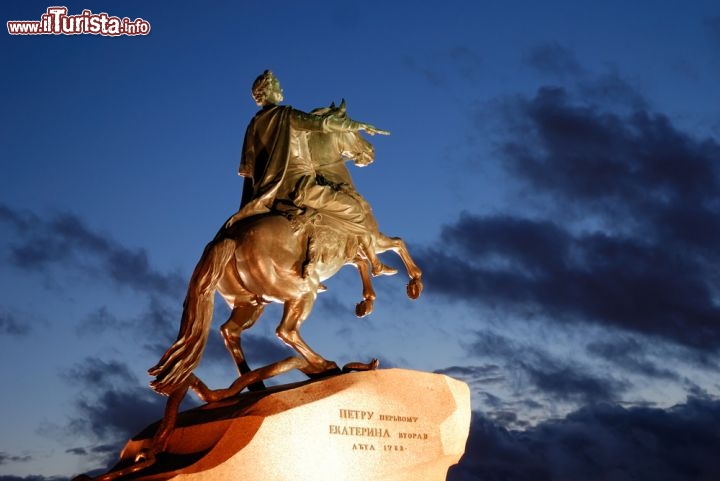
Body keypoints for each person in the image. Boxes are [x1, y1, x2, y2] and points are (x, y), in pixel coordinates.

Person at [226, 70, 394, 277]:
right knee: (355, 211)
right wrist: (358, 125)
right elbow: (322, 124)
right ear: (268, 91)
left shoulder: (253, 126)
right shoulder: (285, 115)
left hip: (268, 194)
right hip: (299, 187)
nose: (281, 89)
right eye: (277, 85)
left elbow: (248, 171)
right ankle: (371, 262)